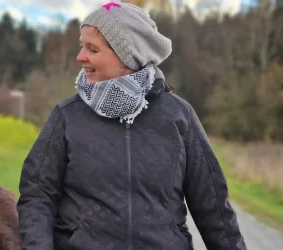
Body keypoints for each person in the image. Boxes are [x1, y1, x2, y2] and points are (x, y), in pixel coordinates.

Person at [16, 2, 247, 250]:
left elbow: (213, 207)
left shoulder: (179, 116)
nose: (80, 56)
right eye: (81, 46)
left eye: (92, 49)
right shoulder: (67, 116)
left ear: (126, 56)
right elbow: (37, 196)